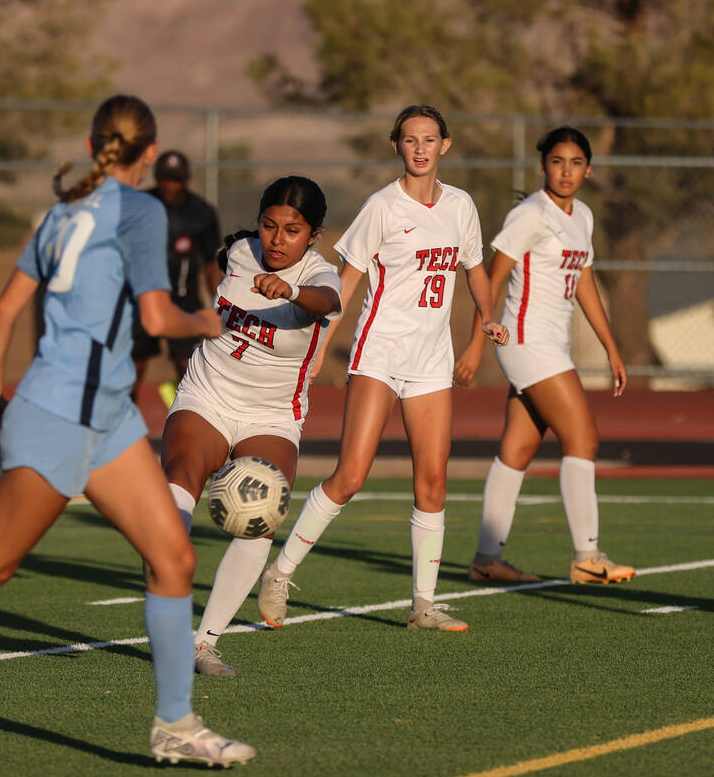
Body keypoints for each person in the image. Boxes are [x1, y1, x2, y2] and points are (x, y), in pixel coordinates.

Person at [0, 95, 255, 769]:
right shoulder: (141, 209)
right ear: (148, 153)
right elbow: (157, 314)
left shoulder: (63, 212)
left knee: (173, 559)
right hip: (61, 414)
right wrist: (205, 321)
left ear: (96, 143)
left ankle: (175, 722)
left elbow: (5, 308)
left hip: (107, 413)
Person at [256, 105, 509, 635]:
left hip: (431, 360)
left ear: (446, 145)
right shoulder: (381, 207)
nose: (420, 148)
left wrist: (486, 317)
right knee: (350, 476)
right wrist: (324, 342)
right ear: (396, 145)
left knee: (433, 482)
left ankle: (423, 605)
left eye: (430, 139)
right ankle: (279, 573)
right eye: (410, 139)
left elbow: (475, 269)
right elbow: (345, 285)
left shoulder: (461, 205)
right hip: (379, 354)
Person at [158, 176, 342, 677]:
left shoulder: (324, 275)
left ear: (313, 234)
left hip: (272, 412)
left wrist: (294, 292)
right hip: (208, 392)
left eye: (293, 230)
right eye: (269, 225)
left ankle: (204, 644)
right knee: (178, 482)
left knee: (263, 512)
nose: (277, 239)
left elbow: (325, 301)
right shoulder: (240, 252)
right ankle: (168, 608)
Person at [453, 126, 634, 585]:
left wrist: (613, 349)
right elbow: (491, 280)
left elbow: (586, 286)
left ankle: (486, 559)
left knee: (517, 450)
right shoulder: (529, 214)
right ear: (542, 166)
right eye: (557, 161)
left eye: (576, 163)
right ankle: (587, 557)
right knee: (584, 439)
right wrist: (476, 345)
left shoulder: (583, 216)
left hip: (549, 344)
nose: (566, 171)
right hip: (525, 341)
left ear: (588, 170)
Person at [132, 150, 222, 406]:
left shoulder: (202, 213)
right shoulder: (141, 206)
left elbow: (210, 263)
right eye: (164, 179)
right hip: (142, 296)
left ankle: (191, 413)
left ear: (187, 180)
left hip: (184, 299)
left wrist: (219, 302)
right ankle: (124, 422)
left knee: (187, 366)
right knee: (133, 368)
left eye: (176, 180)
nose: (170, 185)